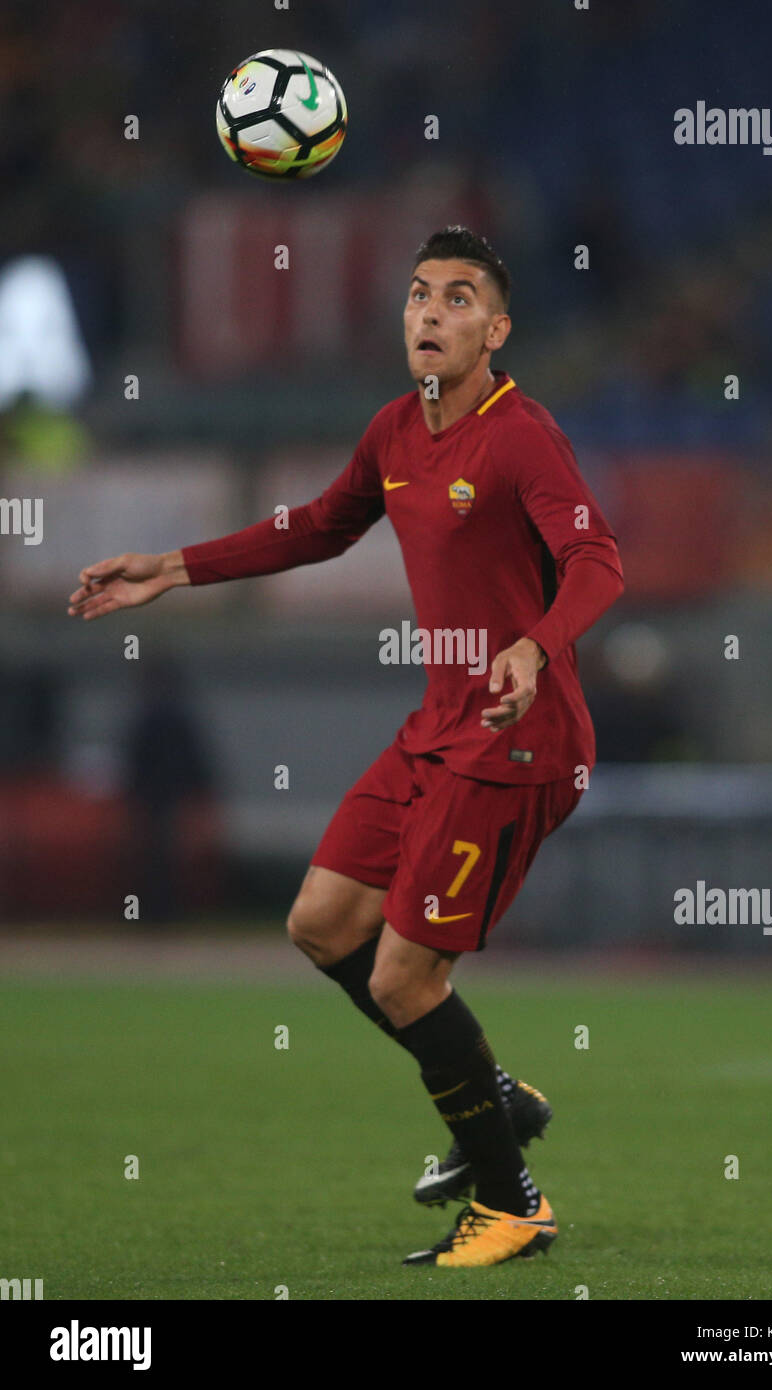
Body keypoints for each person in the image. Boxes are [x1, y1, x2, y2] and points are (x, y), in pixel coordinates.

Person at [68, 226, 624, 1268]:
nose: (429, 311)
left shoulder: (522, 436)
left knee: (406, 980)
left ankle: (512, 1203)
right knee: (322, 923)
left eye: (458, 298)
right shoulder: (394, 430)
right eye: (418, 293)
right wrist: (172, 569)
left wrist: (536, 650)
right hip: (435, 729)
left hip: (516, 739)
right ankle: (495, 1097)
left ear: (495, 331)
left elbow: (597, 559)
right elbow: (320, 524)